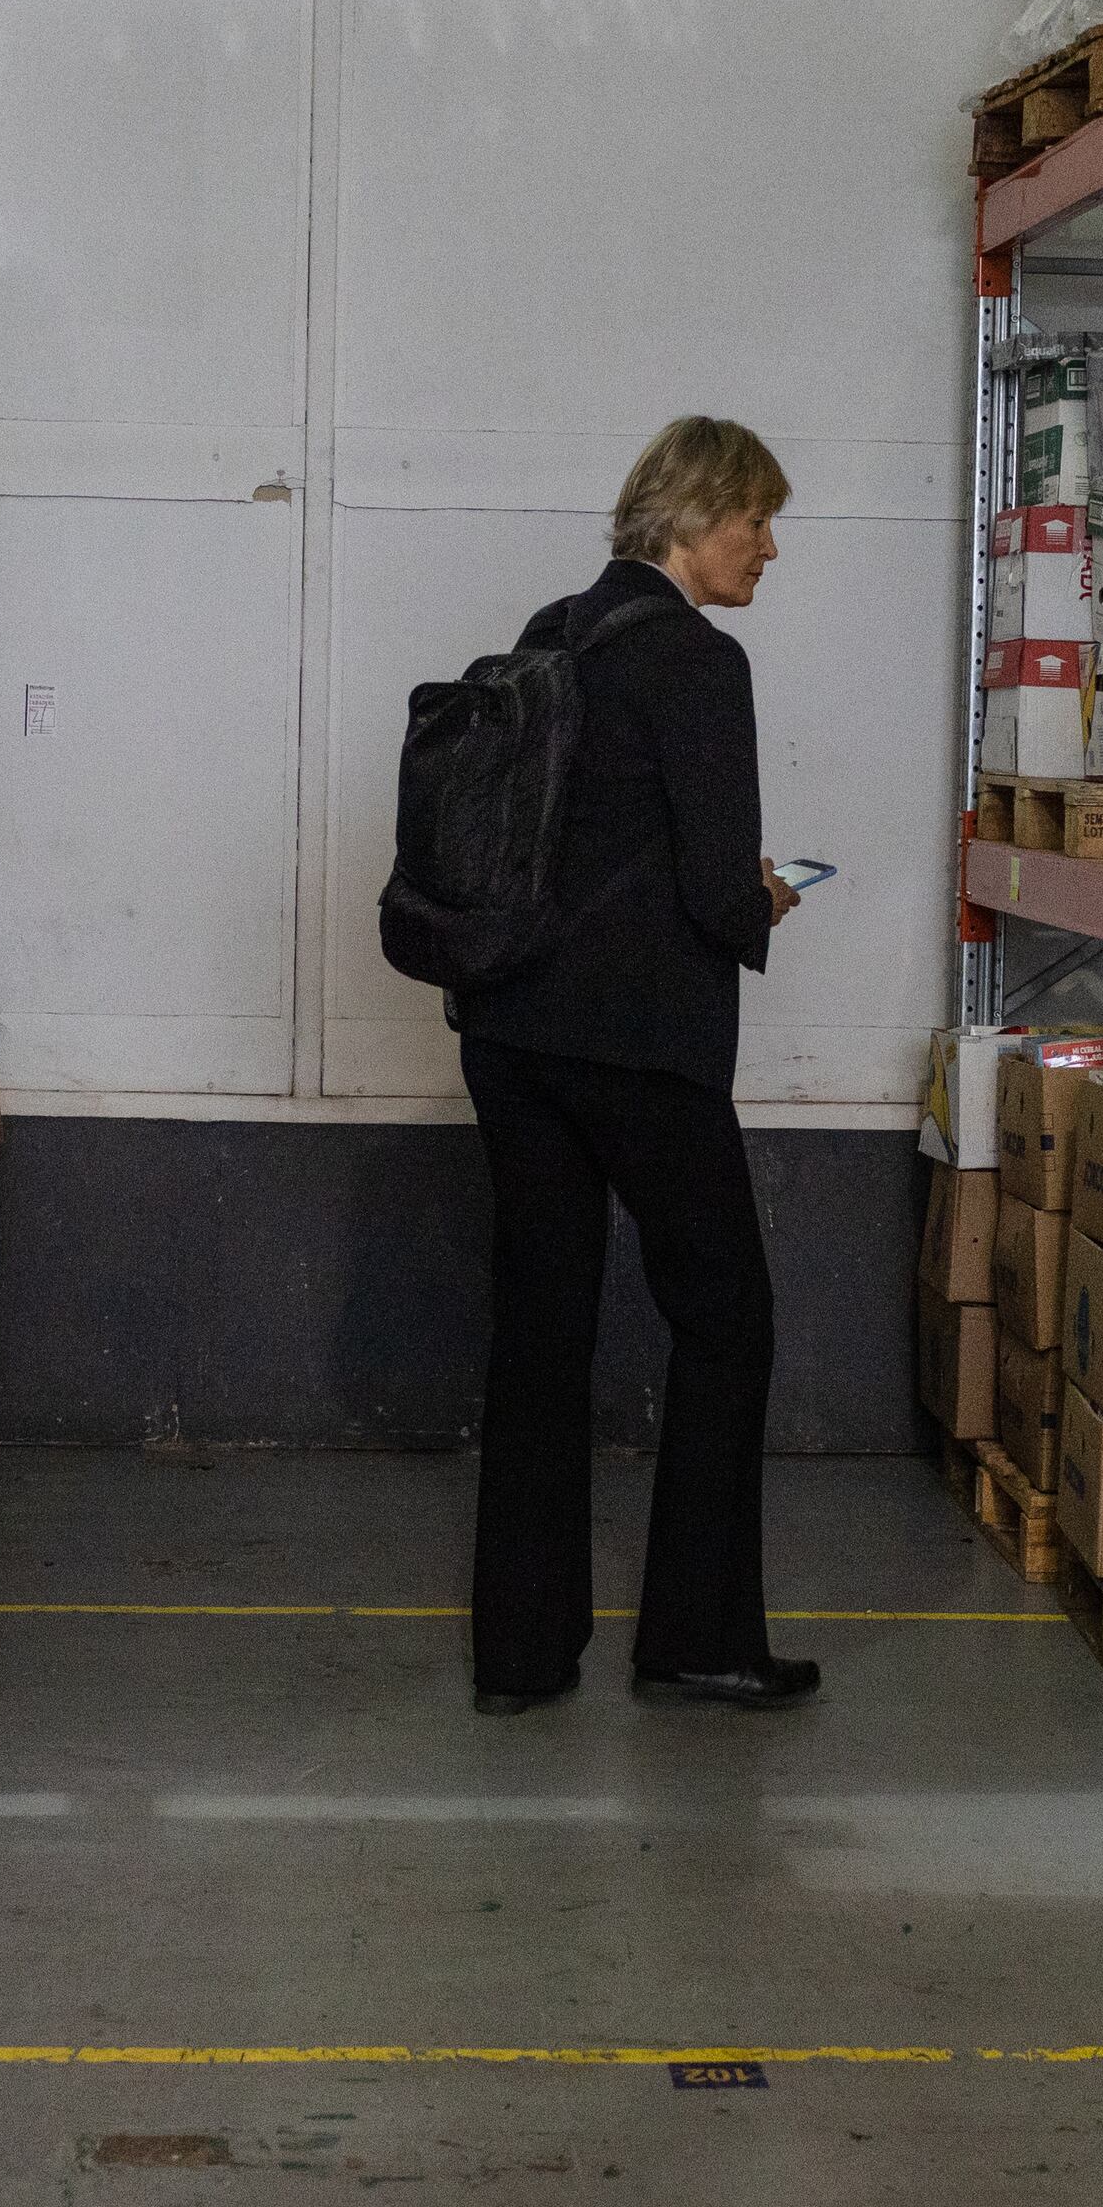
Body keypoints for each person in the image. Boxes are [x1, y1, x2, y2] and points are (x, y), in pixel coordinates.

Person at [443, 416, 818, 1717]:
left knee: (539, 1329)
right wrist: (763, 899)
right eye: (752, 520)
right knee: (727, 1313)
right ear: (688, 517)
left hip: (506, 1031)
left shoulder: (554, 630)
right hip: (638, 1046)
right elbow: (716, 890)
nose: (768, 547)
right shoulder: (697, 663)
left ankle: (521, 1653)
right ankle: (696, 1636)